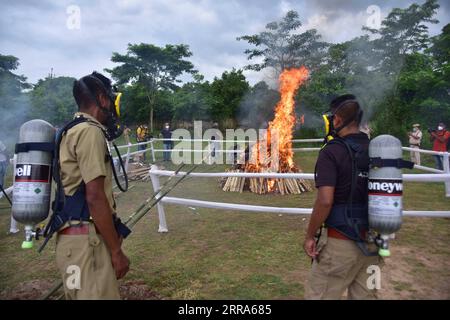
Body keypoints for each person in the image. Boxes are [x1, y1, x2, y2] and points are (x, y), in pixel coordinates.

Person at [53, 72, 130, 299]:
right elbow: (94, 197)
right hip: (88, 243)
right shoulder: (89, 131)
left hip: (71, 241)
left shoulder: (70, 129)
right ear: (103, 99)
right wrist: (116, 252)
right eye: (112, 99)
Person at [304, 94, 382, 300]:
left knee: (319, 296)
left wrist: (310, 235)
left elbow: (325, 200)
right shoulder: (376, 149)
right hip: (374, 244)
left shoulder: (332, 151)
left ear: (337, 120)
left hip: (340, 245)